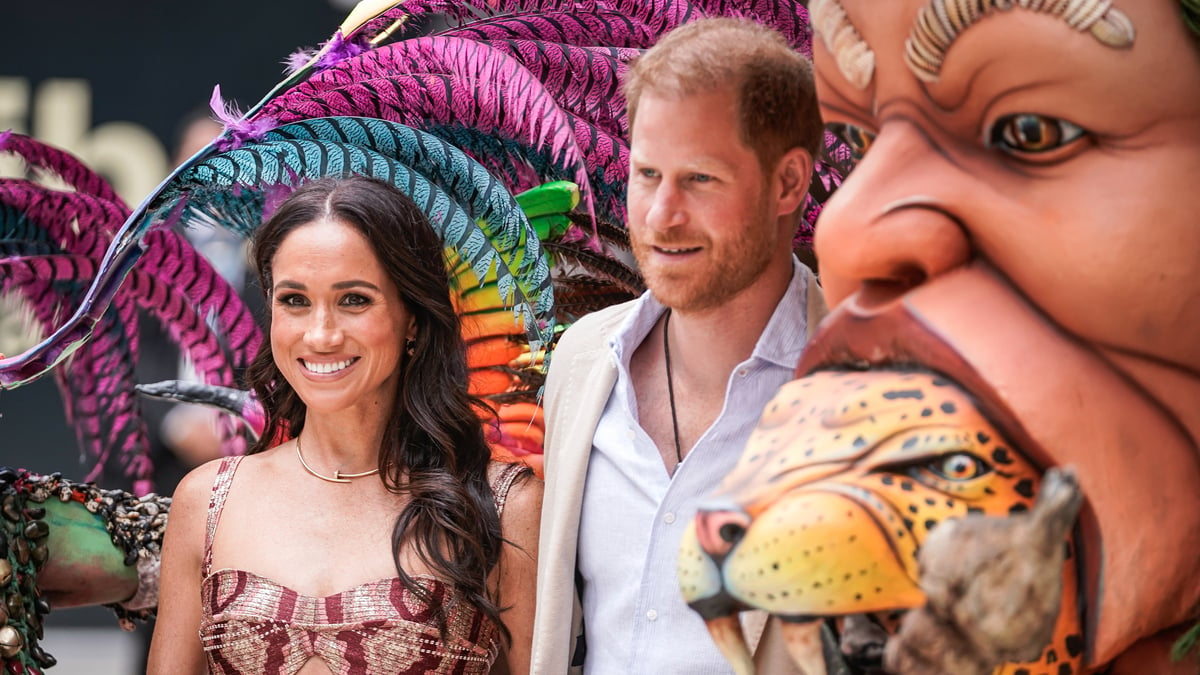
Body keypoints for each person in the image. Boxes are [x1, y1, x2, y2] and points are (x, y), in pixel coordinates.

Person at [148, 176, 542, 674]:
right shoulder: (207, 501)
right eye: (294, 300)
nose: (320, 334)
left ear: (414, 319)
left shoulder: (505, 506)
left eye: (354, 299)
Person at [532, 17, 827, 674]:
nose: (662, 214)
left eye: (700, 179)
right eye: (647, 174)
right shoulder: (583, 361)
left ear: (788, 183)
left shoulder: (859, 379)